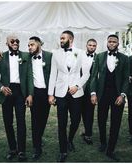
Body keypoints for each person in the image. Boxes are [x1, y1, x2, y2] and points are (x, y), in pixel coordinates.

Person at [48, 30, 89, 162]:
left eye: (63, 38)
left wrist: (77, 86)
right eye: (60, 38)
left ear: (70, 39)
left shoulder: (81, 53)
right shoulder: (56, 54)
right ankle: (63, 150)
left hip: (76, 93)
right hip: (60, 93)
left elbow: (86, 74)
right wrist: (50, 94)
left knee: (76, 120)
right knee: (62, 123)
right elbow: (53, 74)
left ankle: (69, 139)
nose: (60, 41)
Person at [0, 35, 33, 162]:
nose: (15, 43)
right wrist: (1, 88)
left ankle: (21, 151)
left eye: (17, 41)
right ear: (7, 43)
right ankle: (12, 148)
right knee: (8, 122)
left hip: (20, 92)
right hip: (6, 92)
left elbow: (36, 53)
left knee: (21, 122)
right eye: (12, 41)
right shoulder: (1, 56)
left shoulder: (26, 56)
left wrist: (29, 94)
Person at [90, 34, 129, 162]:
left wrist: (122, 95)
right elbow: (94, 76)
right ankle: (103, 142)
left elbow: (125, 79)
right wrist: (93, 93)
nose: (112, 43)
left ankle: (111, 149)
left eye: (114, 42)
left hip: (117, 95)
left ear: (118, 44)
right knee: (101, 119)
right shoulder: (99, 56)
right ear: (107, 43)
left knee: (116, 122)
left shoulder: (124, 58)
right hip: (103, 94)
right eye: (110, 41)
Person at [28, 36, 52, 160]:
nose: (30, 47)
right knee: (35, 119)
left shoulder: (49, 56)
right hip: (34, 93)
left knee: (44, 118)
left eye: (32, 45)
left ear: (39, 44)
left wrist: (52, 93)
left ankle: (38, 138)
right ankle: (37, 147)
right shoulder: (27, 57)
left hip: (47, 92)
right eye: (28, 45)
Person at [81, 38, 97, 145]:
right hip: (79, 88)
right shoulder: (80, 55)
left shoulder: (98, 58)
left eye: (94, 45)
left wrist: (94, 92)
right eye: (90, 45)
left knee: (90, 112)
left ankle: (88, 135)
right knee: (80, 111)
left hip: (91, 89)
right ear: (86, 45)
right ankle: (85, 130)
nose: (91, 47)